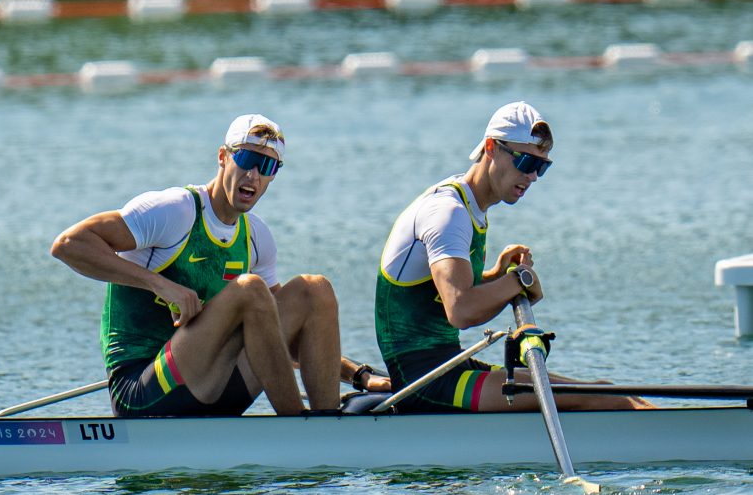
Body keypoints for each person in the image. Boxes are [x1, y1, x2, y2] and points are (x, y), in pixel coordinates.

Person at [52, 114, 368, 417]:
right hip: (142, 390)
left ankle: (326, 423)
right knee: (249, 290)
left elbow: (277, 335)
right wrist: (161, 284)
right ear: (222, 157)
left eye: (267, 166)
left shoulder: (256, 237)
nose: (253, 175)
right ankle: (301, 427)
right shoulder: (174, 211)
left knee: (314, 290)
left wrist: (360, 376)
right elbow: (69, 244)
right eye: (245, 160)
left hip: (214, 383)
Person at [374, 101, 647, 412]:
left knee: (610, 393)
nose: (532, 177)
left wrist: (495, 277)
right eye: (526, 162)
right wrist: (520, 280)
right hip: (424, 383)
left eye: (542, 167)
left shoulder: (470, 206)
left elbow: (438, 294)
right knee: (603, 399)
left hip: (445, 367)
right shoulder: (448, 213)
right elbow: (461, 310)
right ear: (491, 148)